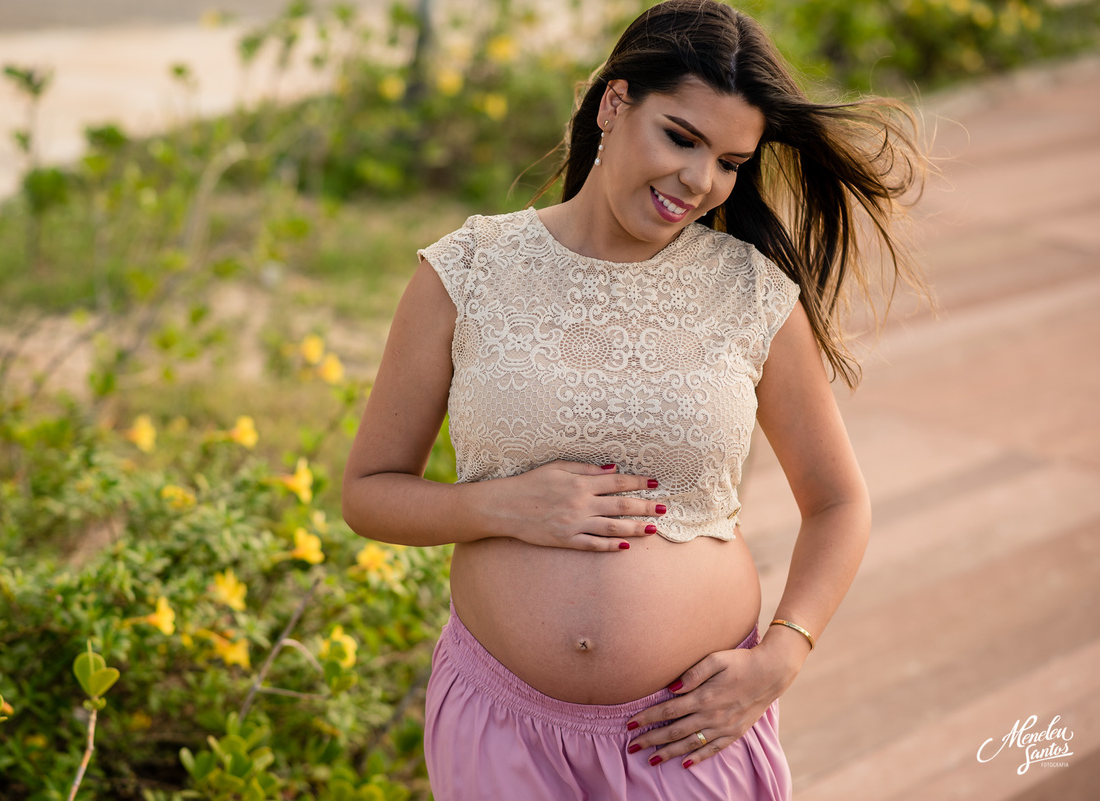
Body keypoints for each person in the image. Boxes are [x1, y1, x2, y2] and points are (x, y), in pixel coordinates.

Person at [342, 0, 926, 797]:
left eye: (729, 161)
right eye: (681, 137)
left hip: (688, 733)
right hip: (500, 726)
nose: (699, 181)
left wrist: (784, 654)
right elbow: (369, 493)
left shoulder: (751, 294)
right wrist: (503, 506)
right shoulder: (468, 270)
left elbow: (837, 501)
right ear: (615, 104)